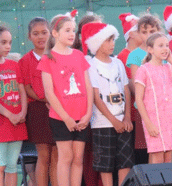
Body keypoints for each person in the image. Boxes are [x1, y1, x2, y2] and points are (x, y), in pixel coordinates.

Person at [37, 13, 93, 186]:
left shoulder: (78, 55)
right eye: (67, 30)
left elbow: (88, 86)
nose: (72, 34)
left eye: (73, 31)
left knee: (78, 158)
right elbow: (49, 93)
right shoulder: (48, 58)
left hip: (82, 116)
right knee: (66, 157)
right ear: (55, 33)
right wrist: (66, 118)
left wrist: (88, 113)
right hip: (61, 118)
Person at [81, 22, 134, 186]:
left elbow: (126, 90)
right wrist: (114, 121)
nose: (112, 44)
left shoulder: (118, 63)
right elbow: (96, 97)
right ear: (96, 43)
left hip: (122, 122)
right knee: (106, 164)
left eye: (113, 40)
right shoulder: (91, 65)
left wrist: (127, 118)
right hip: (102, 123)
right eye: (107, 40)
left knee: (125, 161)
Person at [135, 32, 172, 164]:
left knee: (168, 157)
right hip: (154, 121)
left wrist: (171, 60)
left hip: (171, 120)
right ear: (150, 49)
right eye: (160, 46)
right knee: (157, 156)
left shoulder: (169, 67)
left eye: (167, 45)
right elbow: (138, 99)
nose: (165, 48)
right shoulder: (143, 70)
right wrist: (148, 123)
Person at [18, 17, 58, 186]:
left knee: (57, 155)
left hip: (58, 110)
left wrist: (56, 103)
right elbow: (27, 88)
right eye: (36, 34)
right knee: (44, 155)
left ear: (51, 34)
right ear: (29, 37)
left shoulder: (57, 56)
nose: (41, 37)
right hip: (38, 111)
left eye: (44, 33)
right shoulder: (25, 60)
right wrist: (45, 99)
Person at [126, 14, 162, 164]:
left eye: (152, 31)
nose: (148, 35)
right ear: (138, 33)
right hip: (144, 110)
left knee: (162, 150)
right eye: (144, 31)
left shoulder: (162, 53)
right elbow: (135, 84)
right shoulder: (135, 55)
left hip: (162, 109)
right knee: (144, 151)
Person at [72, 13, 103, 186]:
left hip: (104, 114)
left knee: (103, 153)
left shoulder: (109, 57)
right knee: (86, 153)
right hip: (83, 113)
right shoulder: (76, 55)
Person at [0, 26, 28, 186]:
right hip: (3, 123)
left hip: (17, 123)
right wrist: (10, 115)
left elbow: (21, 90)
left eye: (9, 42)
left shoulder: (14, 65)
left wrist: (22, 112)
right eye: (3, 42)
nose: (8, 46)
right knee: (1, 165)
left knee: (11, 166)